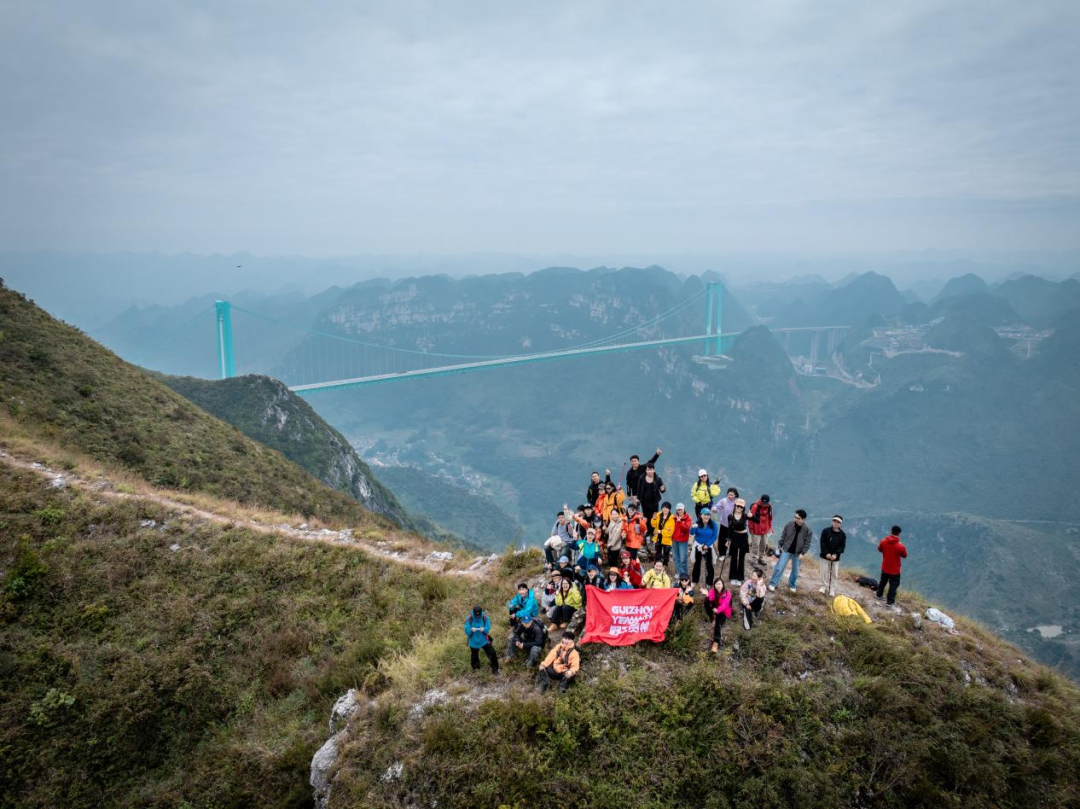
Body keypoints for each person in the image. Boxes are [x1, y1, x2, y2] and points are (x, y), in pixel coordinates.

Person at [768, 510, 813, 593]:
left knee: (795, 571)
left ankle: (791, 584)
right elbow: (783, 535)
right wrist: (779, 545)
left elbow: (807, 543)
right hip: (786, 549)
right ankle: (773, 583)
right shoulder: (789, 525)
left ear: (803, 519)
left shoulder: (807, 530)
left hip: (798, 552)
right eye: (795, 517)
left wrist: (803, 553)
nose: (795, 519)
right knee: (780, 567)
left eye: (798, 518)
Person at [876, 526, 908, 606]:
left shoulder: (883, 541)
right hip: (895, 570)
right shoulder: (900, 546)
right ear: (899, 534)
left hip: (885, 566)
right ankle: (890, 602)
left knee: (883, 581)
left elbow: (879, 549)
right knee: (893, 585)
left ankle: (878, 595)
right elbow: (904, 555)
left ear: (891, 531)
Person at [464, 606, 499, 675]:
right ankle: (476, 669)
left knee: (492, 653)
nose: (477, 617)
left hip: (484, 640)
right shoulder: (469, 619)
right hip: (473, 642)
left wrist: (484, 629)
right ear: (473, 613)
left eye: (478, 615)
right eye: (476, 615)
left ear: (481, 613)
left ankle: (495, 669)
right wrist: (471, 630)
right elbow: (466, 631)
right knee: (474, 657)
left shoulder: (485, 618)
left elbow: (488, 628)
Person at [689, 508, 719, 588]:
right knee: (697, 563)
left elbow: (715, 536)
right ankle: (695, 580)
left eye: (708, 514)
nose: (706, 516)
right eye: (705, 514)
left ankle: (709, 582)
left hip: (708, 546)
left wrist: (708, 544)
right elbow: (692, 533)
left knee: (709, 565)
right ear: (701, 515)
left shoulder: (713, 524)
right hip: (698, 545)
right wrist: (693, 527)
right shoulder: (697, 523)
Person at [818, 515, 847, 596]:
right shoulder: (825, 531)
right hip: (824, 556)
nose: (836, 523)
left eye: (838, 522)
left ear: (840, 524)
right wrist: (826, 553)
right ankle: (823, 586)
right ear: (832, 521)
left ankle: (832, 589)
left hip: (835, 558)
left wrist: (836, 554)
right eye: (834, 521)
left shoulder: (842, 534)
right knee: (823, 572)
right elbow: (822, 543)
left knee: (834, 574)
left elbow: (842, 547)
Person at [637, 464, 666, 541]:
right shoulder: (642, 478)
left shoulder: (658, 479)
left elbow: (662, 490)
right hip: (644, 502)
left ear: (654, 470)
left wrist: (663, 489)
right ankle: (649, 531)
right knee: (646, 517)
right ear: (646, 470)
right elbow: (639, 489)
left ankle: (653, 531)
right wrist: (638, 499)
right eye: (648, 470)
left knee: (654, 517)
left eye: (651, 469)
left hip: (654, 502)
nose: (649, 471)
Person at [726, 498, 751, 586]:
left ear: (743, 508)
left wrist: (752, 515)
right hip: (735, 537)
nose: (739, 508)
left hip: (743, 537)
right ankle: (733, 577)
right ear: (735, 506)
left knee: (741, 558)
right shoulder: (730, 516)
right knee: (734, 557)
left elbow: (757, 520)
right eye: (738, 506)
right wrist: (728, 540)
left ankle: (740, 578)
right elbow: (729, 528)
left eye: (741, 507)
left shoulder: (745, 516)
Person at [706, 580, 733, 652]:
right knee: (706, 601)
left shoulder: (727, 593)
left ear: (723, 585)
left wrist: (717, 610)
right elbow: (710, 599)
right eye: (716, 584)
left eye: (719, 584)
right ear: (714, 585)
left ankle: (716, 642)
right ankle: (711, 617)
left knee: (718, 624)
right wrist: (707, 595)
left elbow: (725, 604)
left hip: (724, 611)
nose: (718, 585)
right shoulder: (712, 591)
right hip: (716, 608)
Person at [748, 494, 773, 566]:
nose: (764, 504)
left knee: (763, 545)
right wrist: (751, 529)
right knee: (755, 545)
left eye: (765, 503)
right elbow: (750, 519)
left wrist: (769, 527)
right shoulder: (755, 507)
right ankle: (754, 560)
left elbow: (770, 518)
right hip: (756, 530)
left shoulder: (769, 507)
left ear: (768, 502)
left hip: (765, 529)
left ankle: (761, 558)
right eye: (763, 502)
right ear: (761, 500)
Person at [712, 487, 738, 553]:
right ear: (727, 494)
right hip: (724, 523)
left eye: (732, 495)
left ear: (735, 495)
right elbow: (717, 506)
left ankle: (731, 553)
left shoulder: (737, 502)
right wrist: (714, 509)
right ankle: (722, 553)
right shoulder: (724, 501)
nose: (730, 496)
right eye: (729, 494)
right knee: (722, 539)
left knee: (732, 539)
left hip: (733, 525)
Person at [672, 503, 693, 580]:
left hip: (683, 541)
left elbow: (686, 528)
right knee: (675, 557)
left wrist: (680, 522)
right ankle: (678, 572)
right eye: (678, 509)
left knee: (683, 558)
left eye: (681, 509)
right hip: (674, 540)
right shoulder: (673, 517)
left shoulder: (688, 518)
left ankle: (684, 573)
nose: (679, 511)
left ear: (684, 509)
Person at [650, 502, 675, 566]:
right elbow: (653, 525)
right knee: (658, 553)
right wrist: (654, 518)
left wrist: (661, 532)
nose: (665, 509)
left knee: (666, 554)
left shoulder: (672, 518)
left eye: (666, 508)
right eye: (663, 508)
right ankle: (657, 566)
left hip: (667, 539)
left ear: (669, 509)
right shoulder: (658, 514)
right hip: (658, 538)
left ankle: (664, 566)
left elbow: (670, 531)